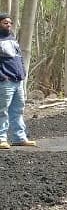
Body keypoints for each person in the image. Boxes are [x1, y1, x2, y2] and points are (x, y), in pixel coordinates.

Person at [0, 13, 36, 149]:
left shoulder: (12, 38)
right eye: (5, 22)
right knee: (2, 110)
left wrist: (22, 71)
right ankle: (1, 138)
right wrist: (3, 76)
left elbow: (18, 57)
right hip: (4, 82)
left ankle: (19, 137)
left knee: (18, 110)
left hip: (17, 80)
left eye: (10, 23)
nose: (8, 25)